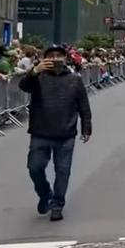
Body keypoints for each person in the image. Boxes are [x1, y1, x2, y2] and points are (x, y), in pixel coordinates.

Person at [19, 45, 91, 222]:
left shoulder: (75, 79)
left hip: (66, 133)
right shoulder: (38, 77)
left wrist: (86, 128)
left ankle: (58, 204)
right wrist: (34, 71)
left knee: (63, 170)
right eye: (51, 56)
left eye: (59, 55)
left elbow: (83, 105)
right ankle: (45, 195)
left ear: (65, 58)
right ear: (45, 59)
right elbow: (23, 86)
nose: (56, 58)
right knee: (34, 168)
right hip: (40, 131)